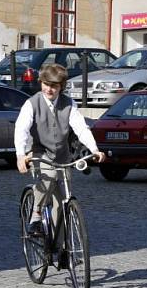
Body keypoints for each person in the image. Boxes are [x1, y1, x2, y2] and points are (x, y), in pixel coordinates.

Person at [13, 64, 105, 248]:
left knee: (62, 203)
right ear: (41, 83)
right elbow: (21, 129)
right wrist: (20, 155)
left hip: (62, 156)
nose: (49, 89)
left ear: (61, 86)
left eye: (54, 86)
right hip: (40, 152)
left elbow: (80, 127)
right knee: (49, 177)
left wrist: (94, 150)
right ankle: (36, 214)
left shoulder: (68, 103)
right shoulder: (31, 104)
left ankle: (58, 247)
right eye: (46, 84)